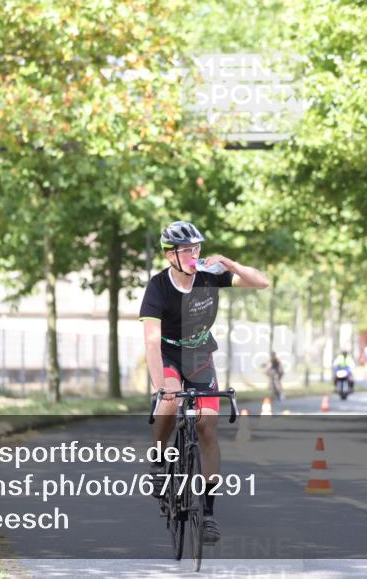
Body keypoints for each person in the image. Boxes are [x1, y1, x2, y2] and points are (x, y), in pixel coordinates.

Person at [141, 220, 269, 546]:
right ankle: (158, 458)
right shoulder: (158, 287)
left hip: (200, 358)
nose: (194, 254)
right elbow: (152, 342)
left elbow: (262, 282)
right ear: (170, 254)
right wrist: (162, 384)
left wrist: (230, 264)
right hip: (169, 355)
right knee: (169, 402)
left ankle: (208, 512)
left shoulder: (209, 277)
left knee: (207, 427)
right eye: (187, 250)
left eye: (197, 248)